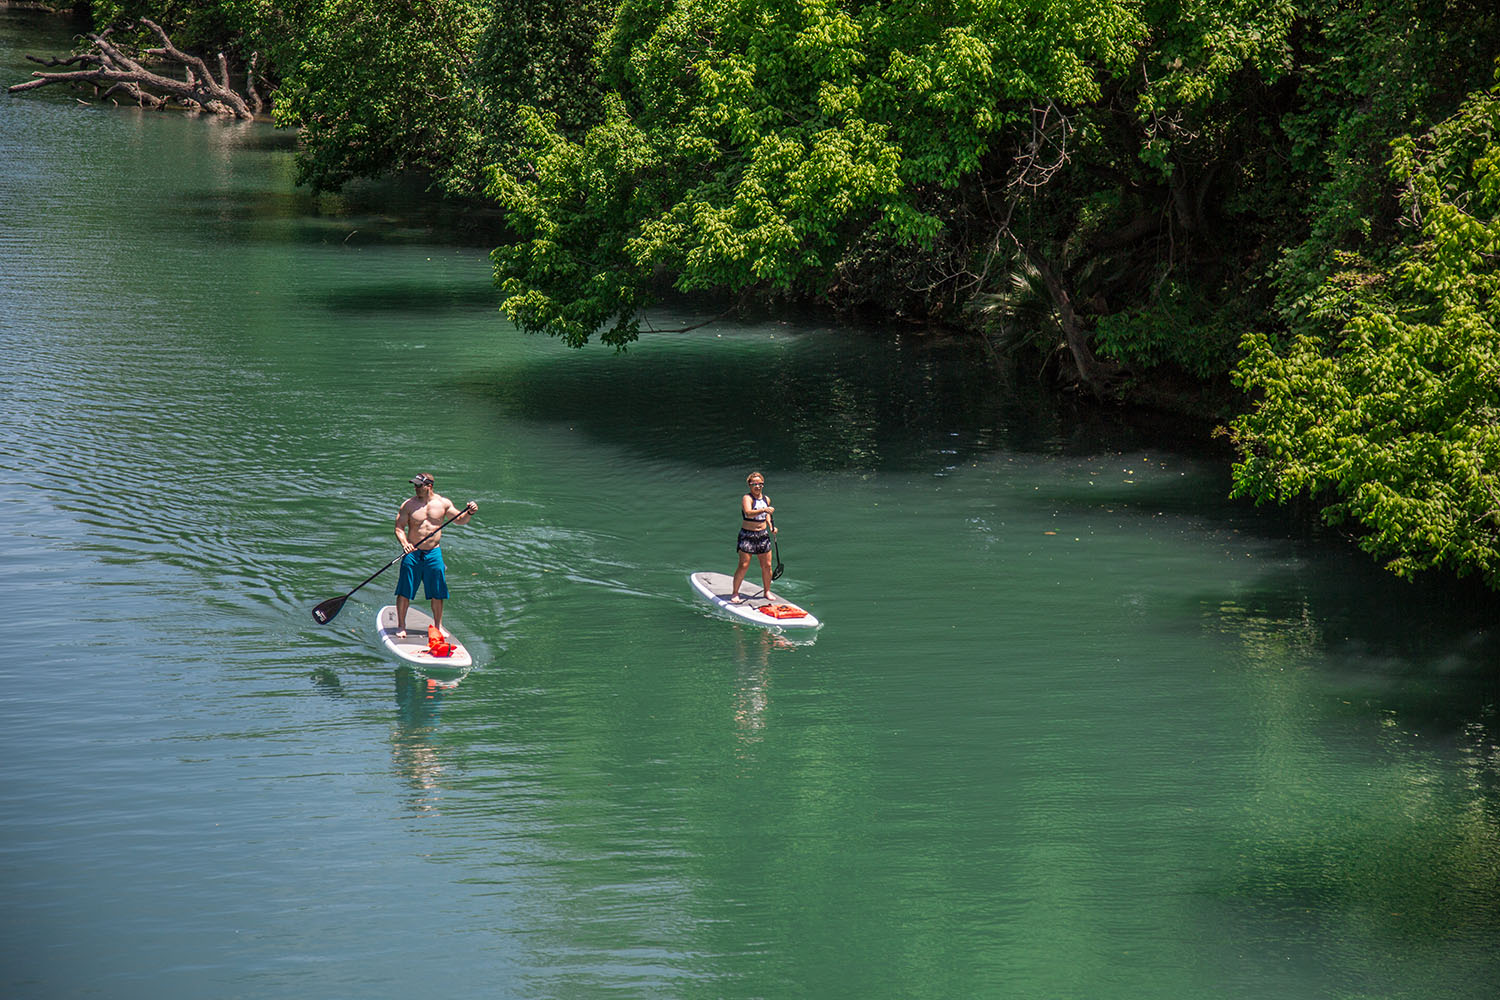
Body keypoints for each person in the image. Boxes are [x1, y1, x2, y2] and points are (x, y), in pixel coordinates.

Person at [394, 472, 477, 637]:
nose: (415, 488)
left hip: (433, 553)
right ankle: (401, 625)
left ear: (429, 486)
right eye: (415, 485)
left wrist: (469, 512)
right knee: (405, 591)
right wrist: (405, 544)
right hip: (413, 553)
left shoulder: (443, 503)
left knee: (438, 592)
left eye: (419, 485)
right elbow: (398, 528)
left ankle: (438, 626)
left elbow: (459, 520)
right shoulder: (408, 505)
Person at [731, 471, 776, 602]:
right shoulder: (747, 498)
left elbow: (767, 515)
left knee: (767, 565)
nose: (757, 486)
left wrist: (771, 526)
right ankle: (735, 593)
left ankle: (767, 591)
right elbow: (749, 513)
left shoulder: (766, 499)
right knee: (744, 564)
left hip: (763, 535)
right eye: (754, 484)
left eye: (760, 484)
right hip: (748, 535)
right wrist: (763, 510)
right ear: (750, 485)